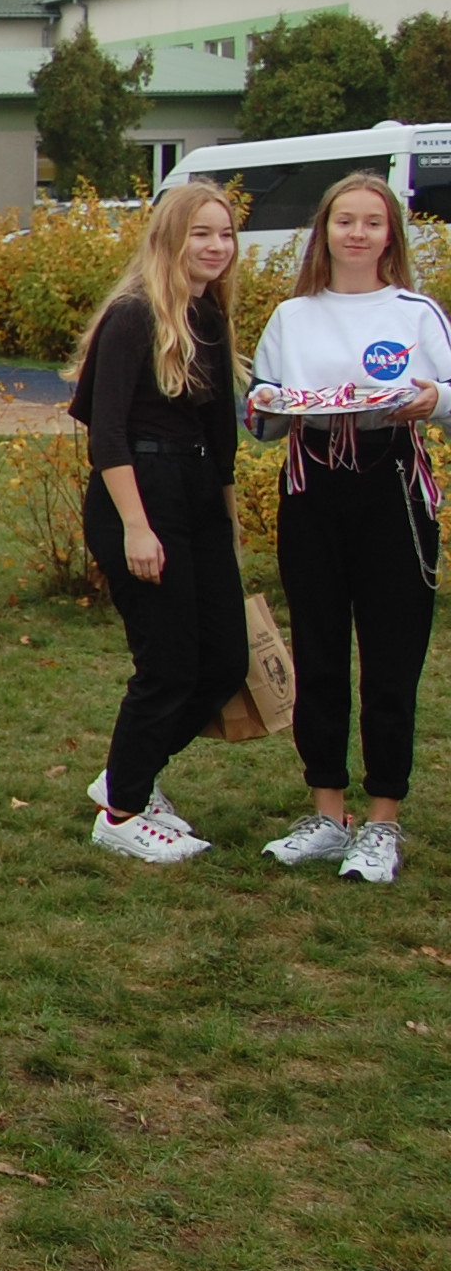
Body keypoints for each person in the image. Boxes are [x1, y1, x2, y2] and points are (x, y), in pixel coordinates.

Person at [247, 171, 451, 884]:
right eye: (344, 221)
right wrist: (267, 404)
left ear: (391, 234)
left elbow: (449, 391)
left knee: (392, 659)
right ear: (325, 231)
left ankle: (382, 821)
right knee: (320, 653)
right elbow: (263, 415)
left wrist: (432, 397)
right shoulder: (292, 316)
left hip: (392, 488)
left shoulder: (416, 313)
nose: (357, 233)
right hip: (313, 490)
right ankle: (327, 813)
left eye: (372, 222)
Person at [67, 180, 247, 864]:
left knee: (224, 660)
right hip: (140, 495)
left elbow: (221, 436)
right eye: (201, 233)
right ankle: (121, 813)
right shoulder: (133, 315)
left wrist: (226, 521)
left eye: (225, 234)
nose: (216, 247)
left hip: (197, 496)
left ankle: (127, 773)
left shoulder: (209, 316)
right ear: (170, 238)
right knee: (168, 664)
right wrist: (138, 528)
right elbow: (107, 433)